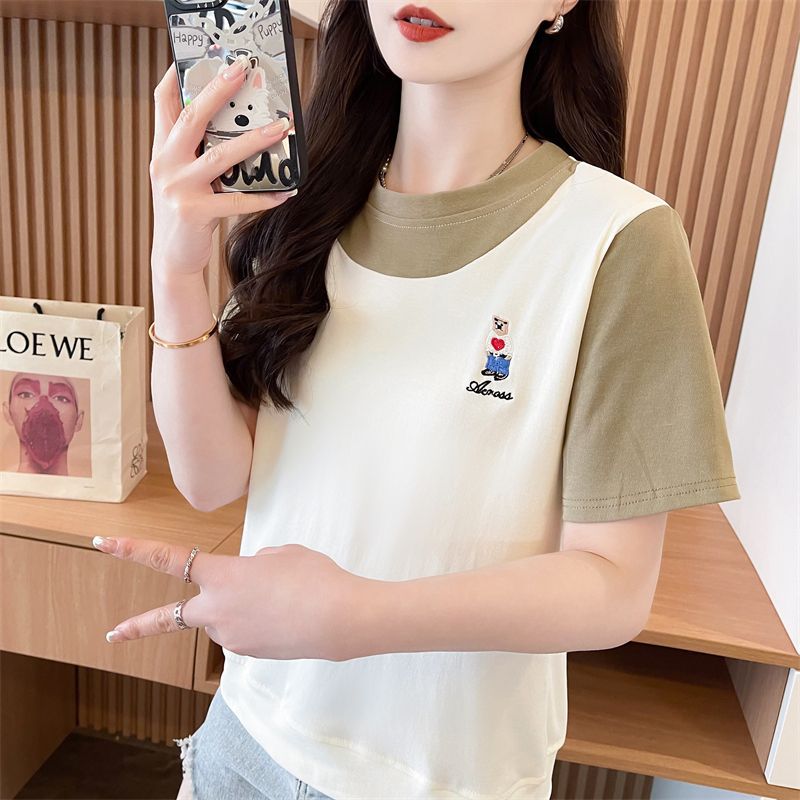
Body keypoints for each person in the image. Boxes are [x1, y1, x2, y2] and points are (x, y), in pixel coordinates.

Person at [144, 1, 741, 798]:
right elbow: (211, 477)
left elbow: (613, 587)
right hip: (245, 742)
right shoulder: (305, 206)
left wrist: (355, 615)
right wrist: (177, 269)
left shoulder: (618, 239)